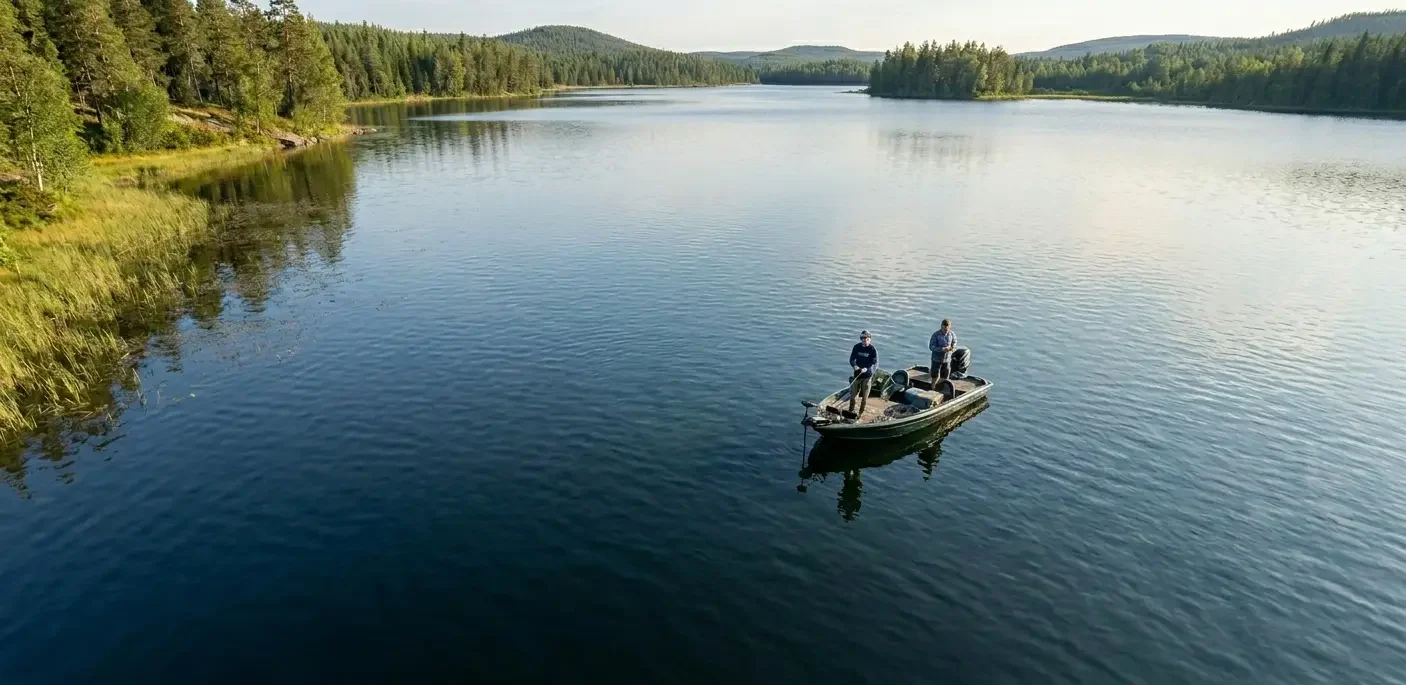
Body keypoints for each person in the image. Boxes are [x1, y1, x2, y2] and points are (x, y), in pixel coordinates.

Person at [848, 331, 878, 416]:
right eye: (864, 339)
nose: (865, 341)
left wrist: (866, 368)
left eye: (867, 339)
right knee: (853, 397)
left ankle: (860, 413)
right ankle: (850, 412)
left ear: (870, 340)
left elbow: (874, 361)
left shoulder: (872, 349)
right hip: (857, 375)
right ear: (861, 340)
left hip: (867, 376)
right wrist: (855, 366)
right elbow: (851, 359)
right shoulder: (856, 347)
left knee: (864, 399)